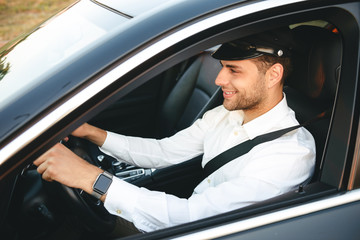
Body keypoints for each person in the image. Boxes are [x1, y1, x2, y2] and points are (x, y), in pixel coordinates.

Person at [34, 27, 315, 236]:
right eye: (221, 68)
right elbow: (163, 152)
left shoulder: (289, 154)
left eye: (233, 70)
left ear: (274, 75)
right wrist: (90, 132)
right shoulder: (225, 116)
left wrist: (90, 178)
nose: (219, 79)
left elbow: (192, 218)